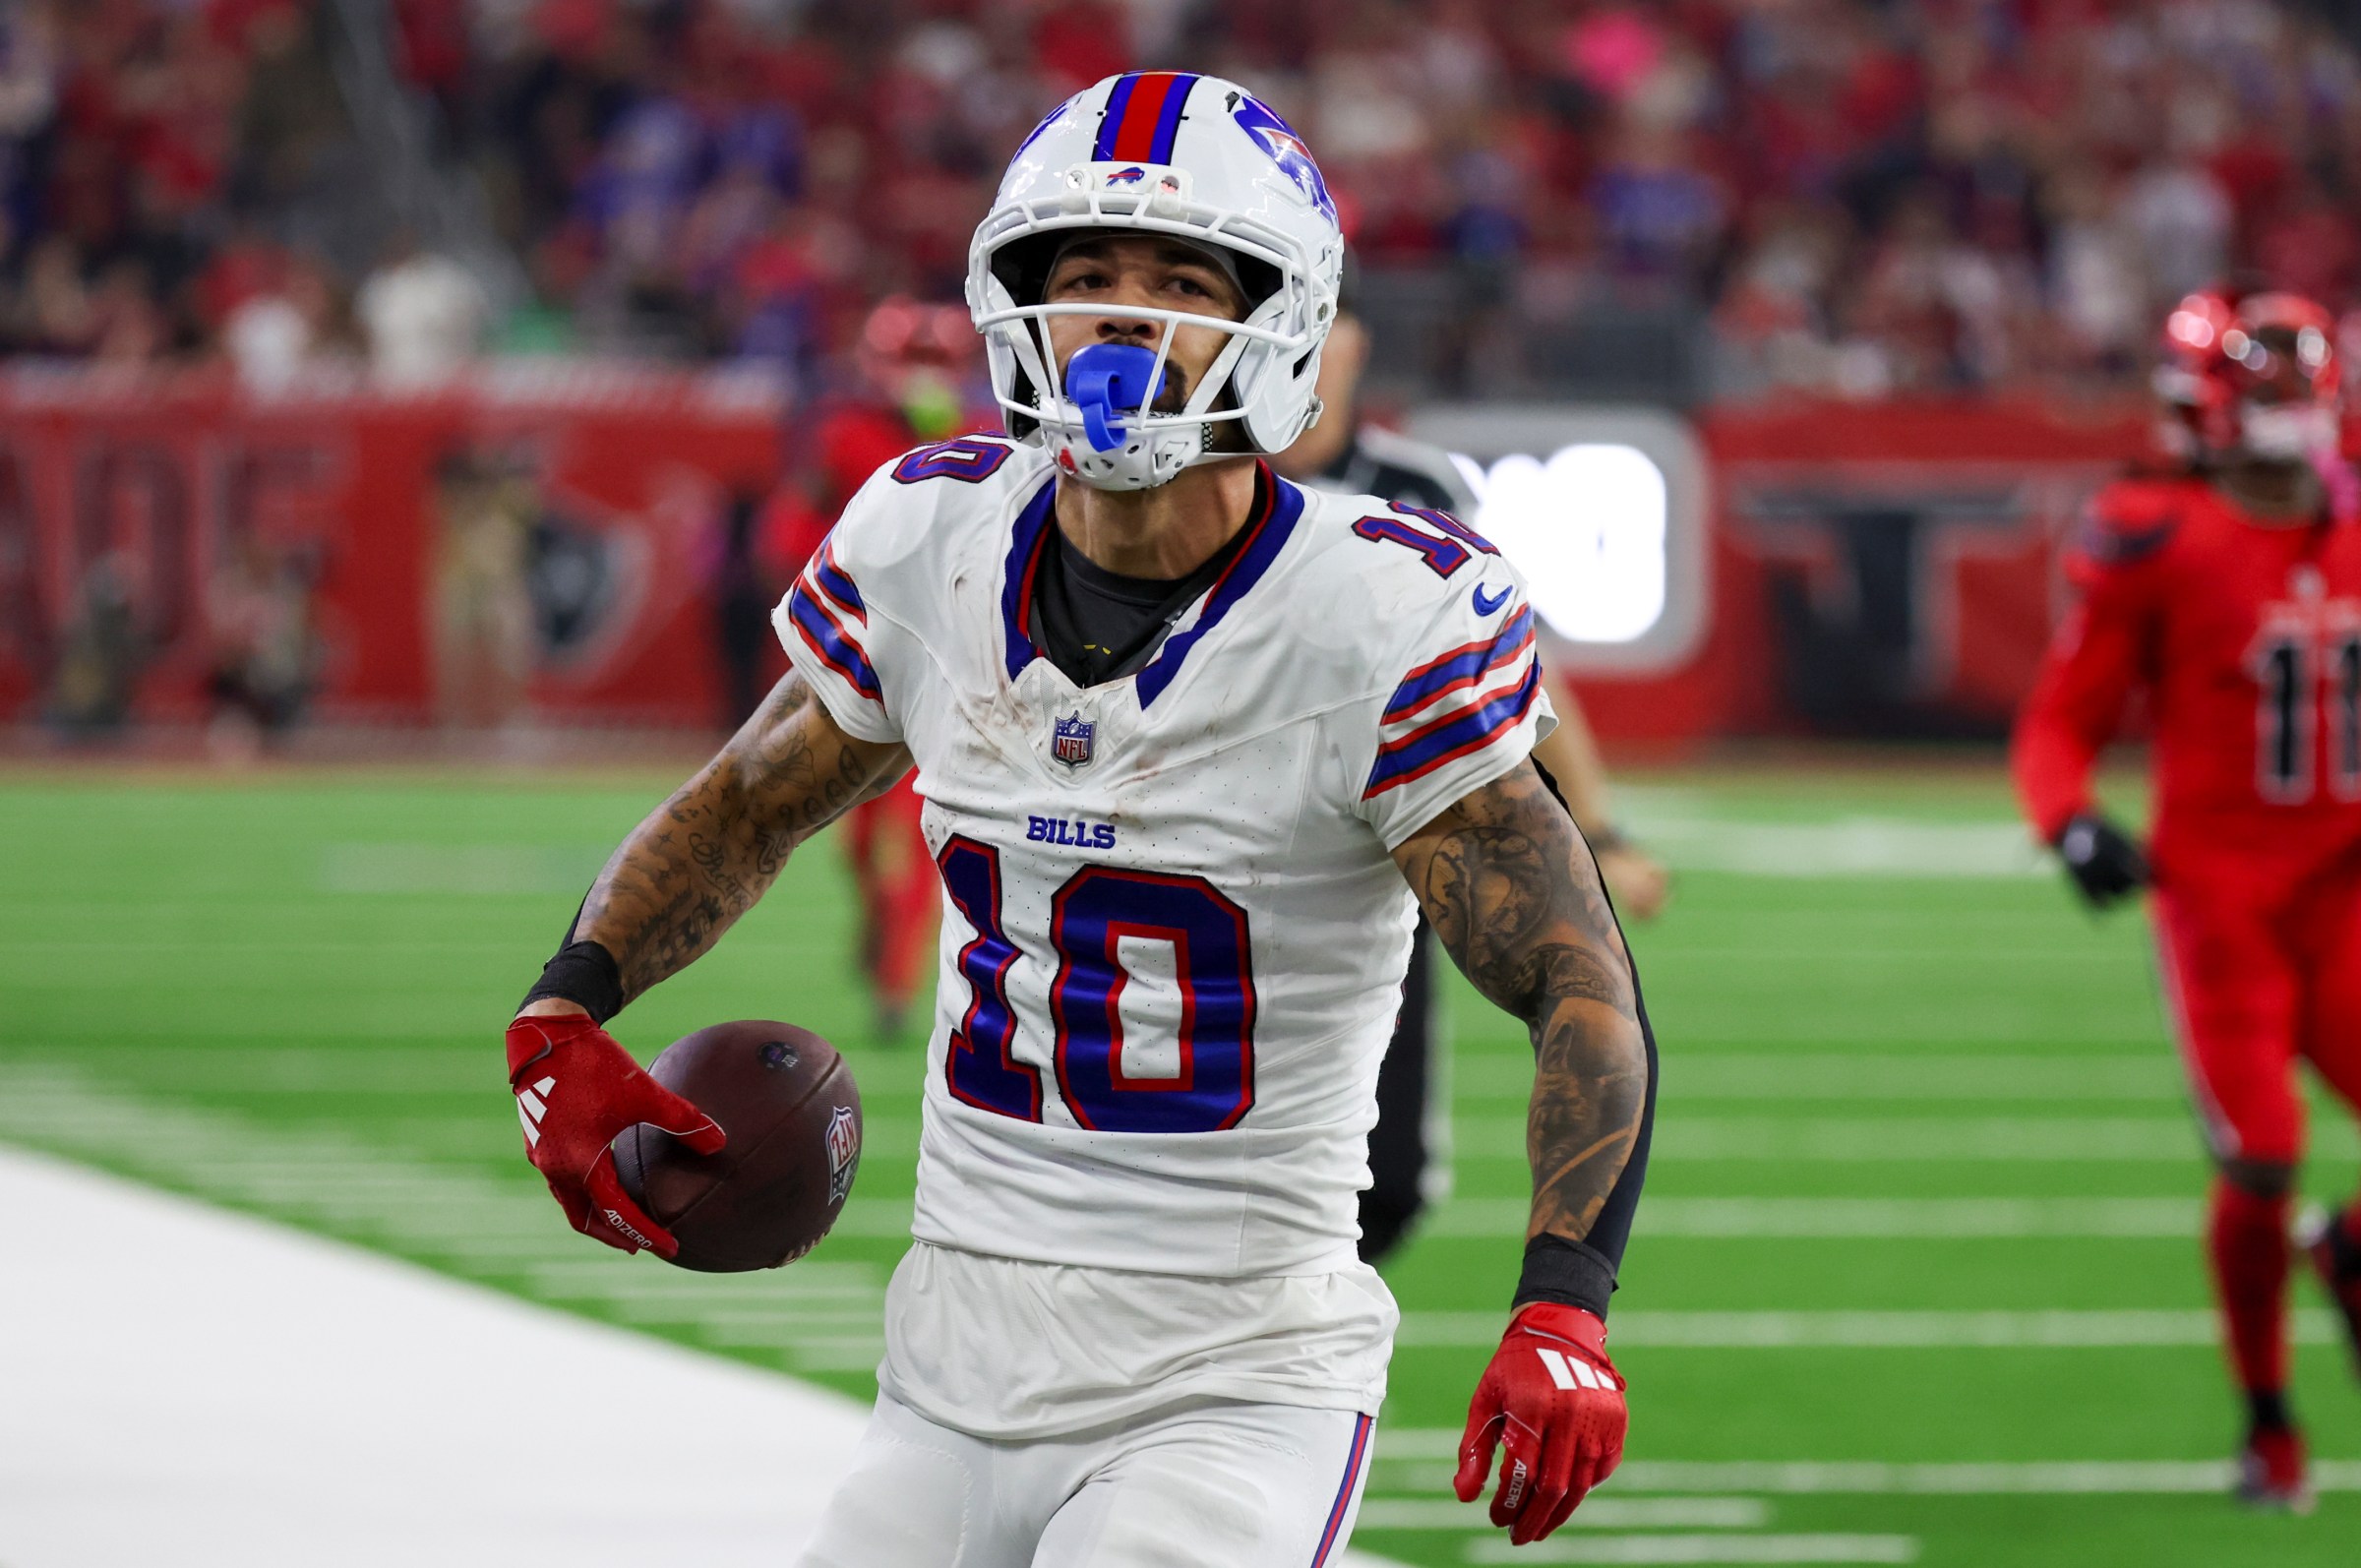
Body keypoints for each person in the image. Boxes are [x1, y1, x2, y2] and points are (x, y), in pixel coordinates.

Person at [503, 74, 1656, 1561]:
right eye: (1086, 274)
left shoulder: (1379, 611)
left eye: (1181, 280)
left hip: (1231, 1376)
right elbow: (743, 805)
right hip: (951, 1352)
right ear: (1016, 306)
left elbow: (1576, 972)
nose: (1123, 313)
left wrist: (1566, 1299)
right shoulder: (930, 536)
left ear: (1284, 323)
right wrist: (563, 1008)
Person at [2012, 288, 2361, 1511]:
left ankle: (2350, 1255)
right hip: (2222, 900)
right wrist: (2069, 820)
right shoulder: (2158, 532)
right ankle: (2269, 1417)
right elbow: (2061, 721)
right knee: (2264, 1152)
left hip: (2348, 888)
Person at [1276, 271, 1670, 1263]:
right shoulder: (1214, 473)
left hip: (1386, 847)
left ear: (1360, 344)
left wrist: (1602, 830)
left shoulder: (1421, 489)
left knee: (1390, 1175)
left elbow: (1517, 670)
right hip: (1231, 832)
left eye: (1328, 326)